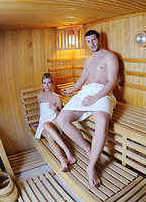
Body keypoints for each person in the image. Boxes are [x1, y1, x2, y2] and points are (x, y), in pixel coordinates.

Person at [56, 30, 119, 187]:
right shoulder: (88, 59)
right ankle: (88, 149)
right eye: (88, 41)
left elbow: (112, 81)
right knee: (61, 119)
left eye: (93, 40)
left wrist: (95, 98)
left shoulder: (110, 56)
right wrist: (72, 90)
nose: (91, 43)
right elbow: (83, 78)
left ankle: (91, 167)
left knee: (102, 120)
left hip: (103, 92)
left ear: (99, 39)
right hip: (85, 92)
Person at [36, 73, 76, 172]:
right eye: (44, 83)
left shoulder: (57, 97)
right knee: (48, 135)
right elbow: (40, 111)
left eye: (49, 82)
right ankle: (63, 160)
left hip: (54, 122)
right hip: (43, 123)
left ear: (52, 83)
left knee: (46, 125)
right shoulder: (39, 96)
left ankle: (67, 151)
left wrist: (55, 109)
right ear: (42, 84)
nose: (47, 85)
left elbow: (61, 116)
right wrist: (38, 122)